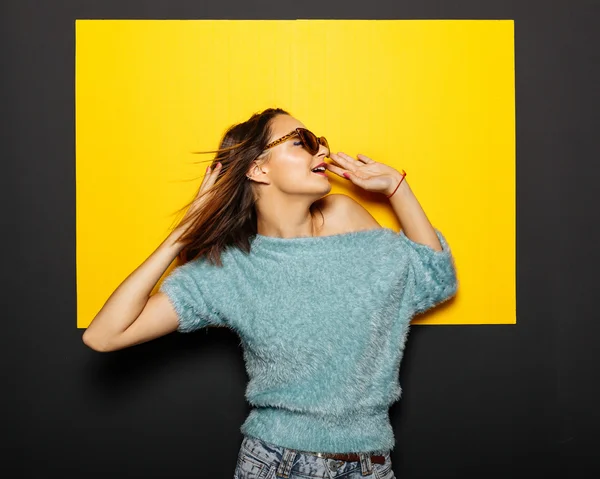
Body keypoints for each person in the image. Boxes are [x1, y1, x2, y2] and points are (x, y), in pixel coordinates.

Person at [82, 107, 458, 478]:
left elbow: (435, 280)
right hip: (275, 463)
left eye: (320, 142)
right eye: (303, 142)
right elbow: (105, 335)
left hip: (368, 464)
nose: (322, 151)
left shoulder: (346, 218)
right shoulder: (230, 269)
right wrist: (185, 230)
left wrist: (398, 189)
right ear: (258, 168)